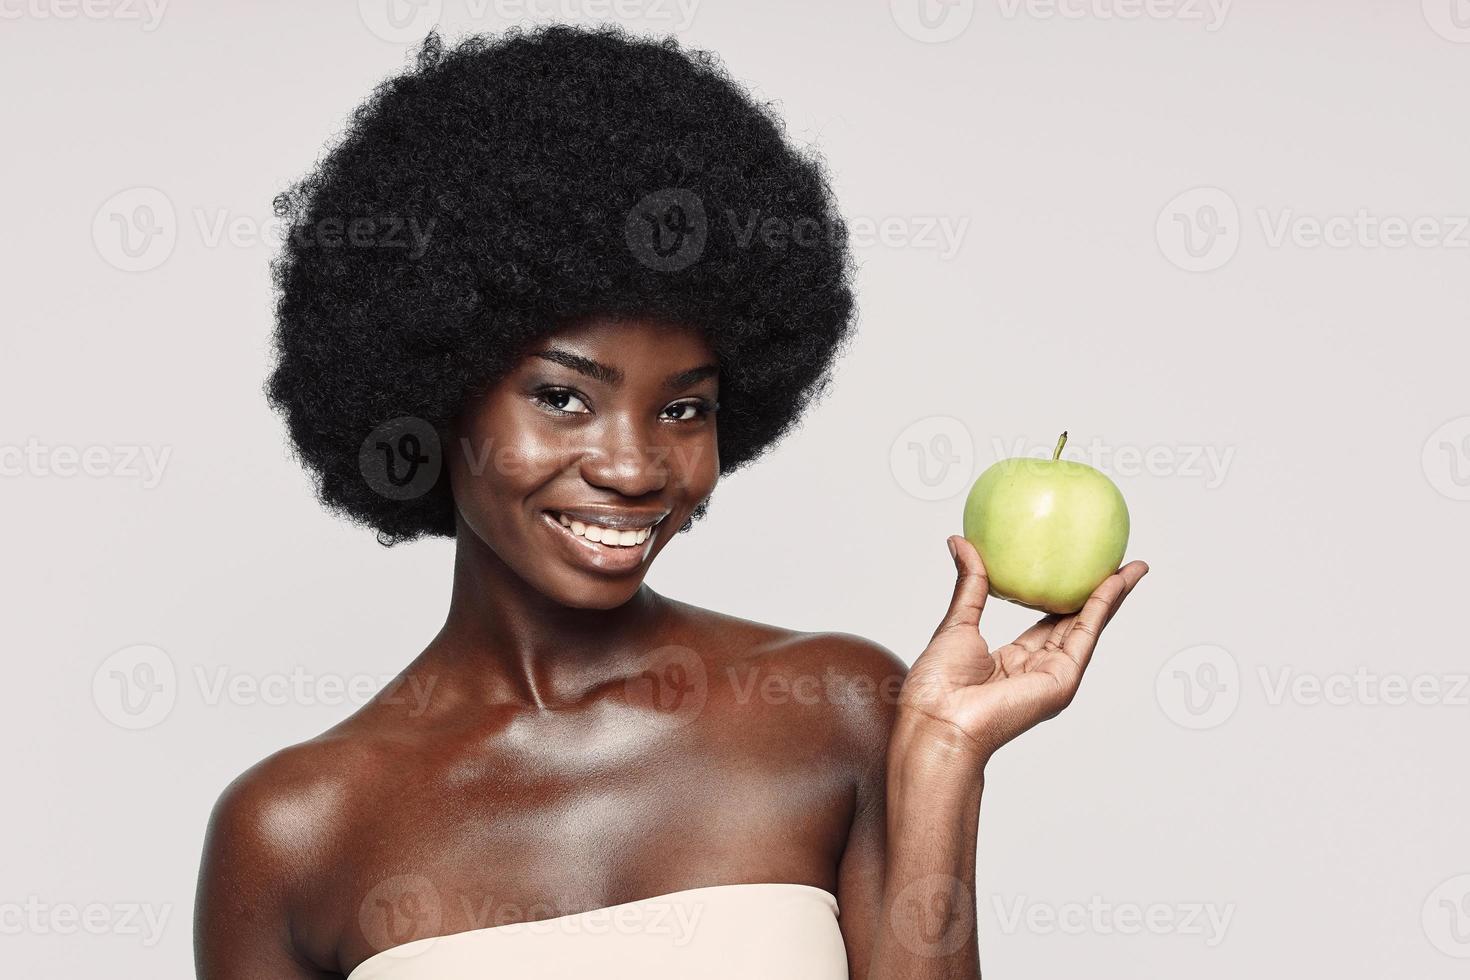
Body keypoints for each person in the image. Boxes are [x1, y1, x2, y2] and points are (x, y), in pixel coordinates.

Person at [193, 24, 1148, 980]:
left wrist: (942, 760)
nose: (635, 466)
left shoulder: (834, 708)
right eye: (564, 398)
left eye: (684, 407)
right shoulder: (293, 833)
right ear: (433, 393)